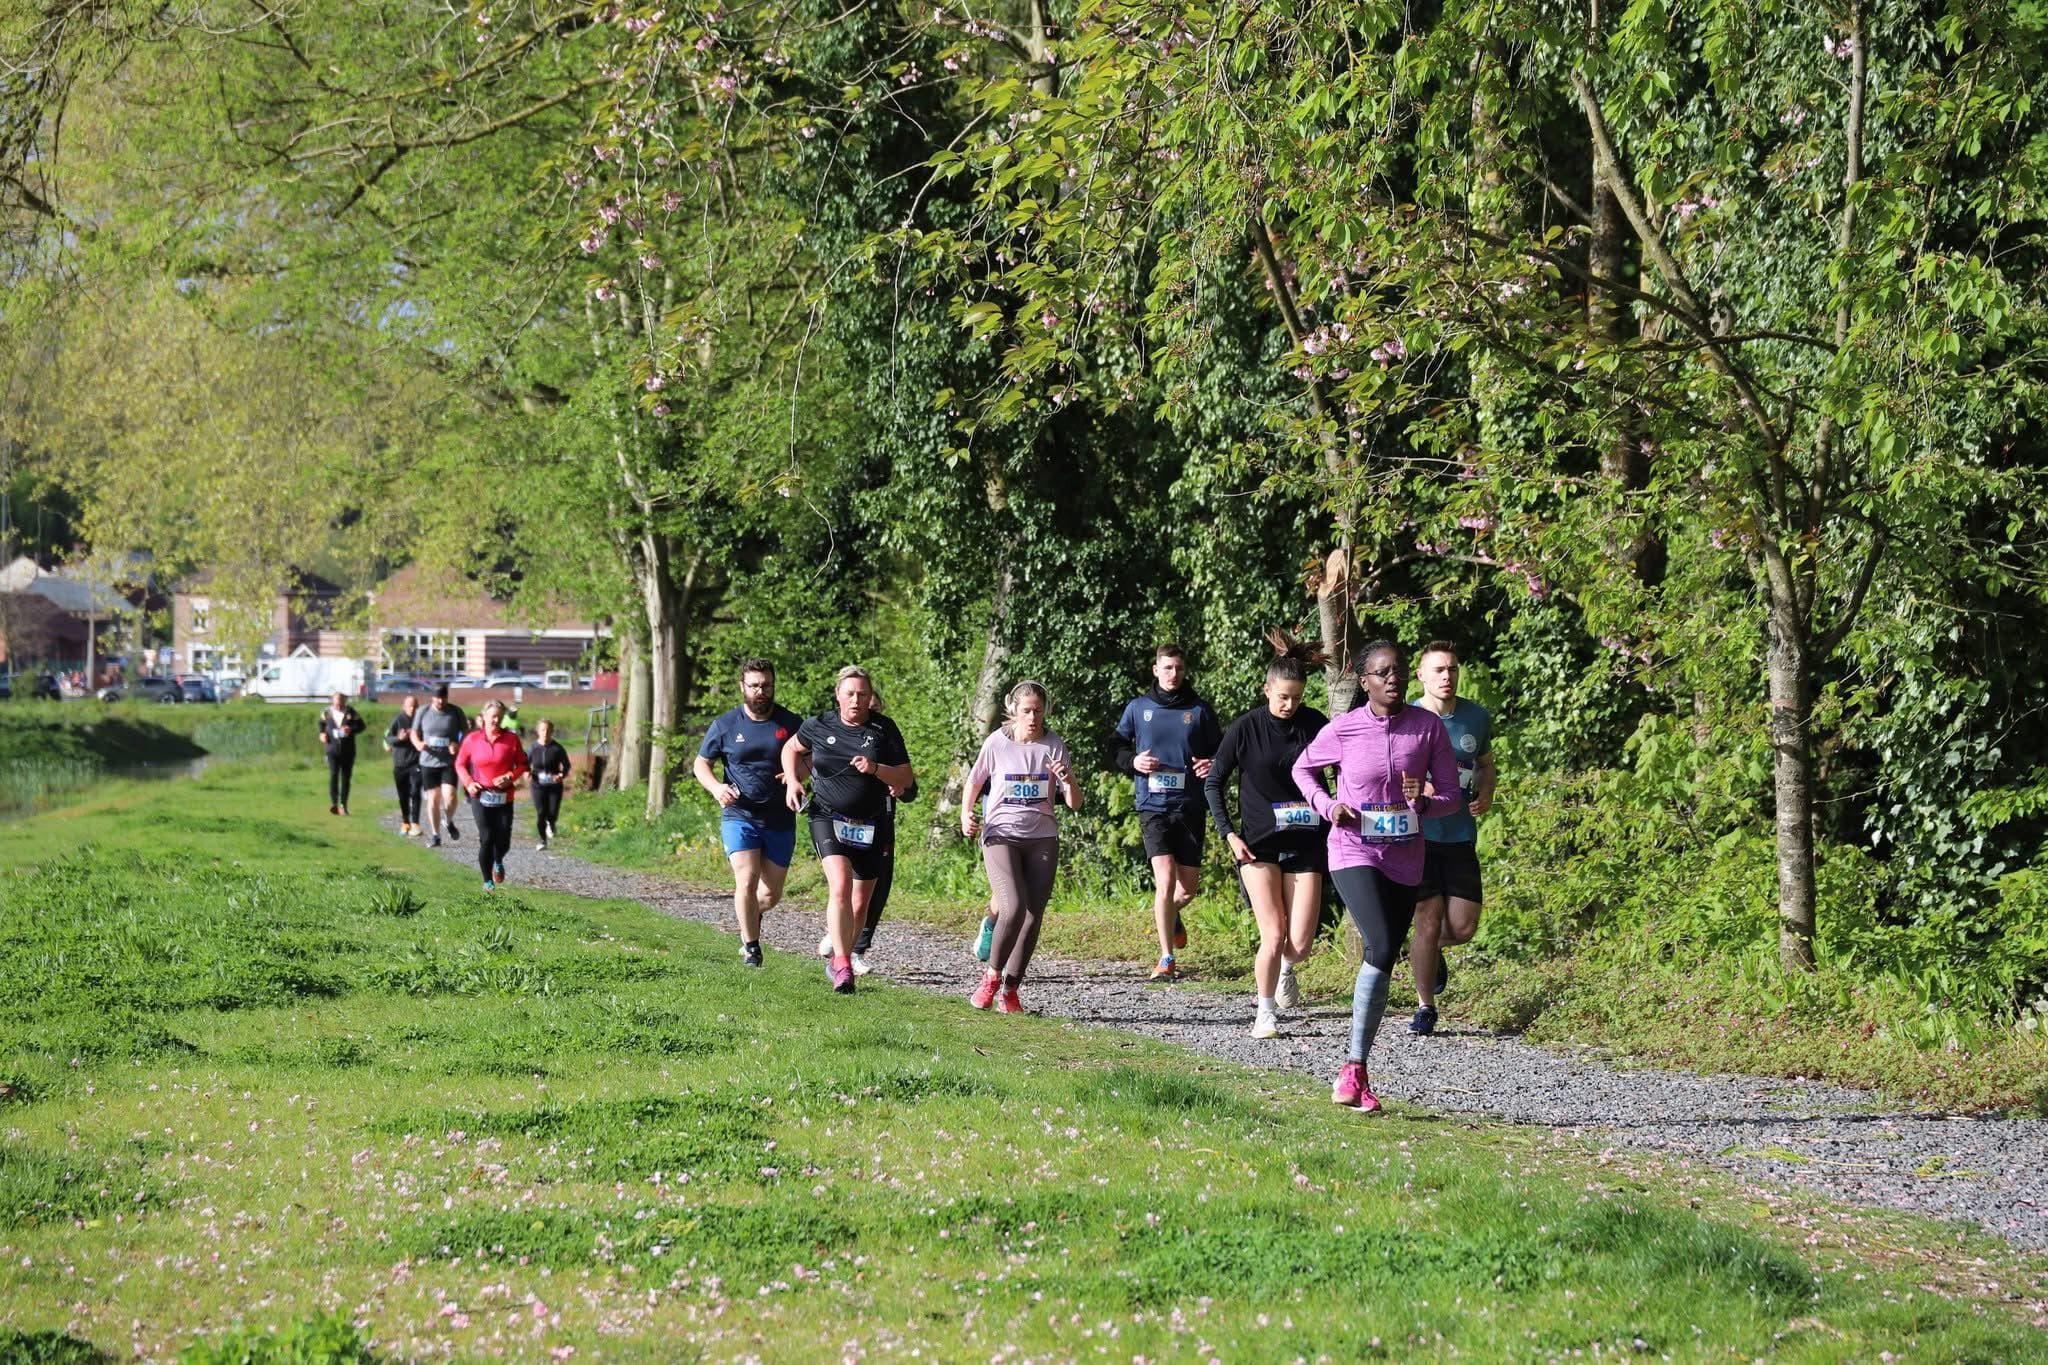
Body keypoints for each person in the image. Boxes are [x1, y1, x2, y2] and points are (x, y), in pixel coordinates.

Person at [1291, 641, 1461, 1113]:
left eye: (1399, 671)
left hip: (1406, 857)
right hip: (1353, 849)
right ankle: (1351, 1066)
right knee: (1382, 944)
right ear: (1364, 681)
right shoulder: (1343, 729)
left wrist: (1424, 802)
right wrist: (1328, 806)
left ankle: (1357, 1069)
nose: (1393, 679)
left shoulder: (1426, 729)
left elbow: (1451, 796)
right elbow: (1302, 769)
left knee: (1384, 957)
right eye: (1382, 673)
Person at [1204, 630, 1330, 1038]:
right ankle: (1264, 1014)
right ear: (1267, 690)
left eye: (1296, 697)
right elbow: (1214, 782)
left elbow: (1345, 769)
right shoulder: (1245, 728)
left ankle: (1287, 971)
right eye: (1282, 697)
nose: (1290, 705)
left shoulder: (1315, 725)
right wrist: (1228, 834)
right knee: (1273, 934)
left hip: (1308, 841)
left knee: (1300, 945)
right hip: (1258, 845)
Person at [781, 665, 914, 994]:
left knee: (859, 904)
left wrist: (875, 768)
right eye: (850, 693)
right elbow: (790, 749)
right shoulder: (818, 724)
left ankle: (838, 958)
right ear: (838, 695)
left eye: (863, 694)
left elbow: (905, 780)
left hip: (871, 823)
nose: (856, 700)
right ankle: (842, 964)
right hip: (827, 815)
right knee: (839, 885)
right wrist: (793, 780)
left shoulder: (884, 730)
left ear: (871, 698)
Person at [960, 681, 1082, 1012]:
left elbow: (1075, 803)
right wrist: (965, 814)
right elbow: (974, 781)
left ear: (1046, 711)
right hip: (1001, 834)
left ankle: (1011, 990)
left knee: (1032, 915)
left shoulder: (1053, 746)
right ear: (1013, 709)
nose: (1033, 717)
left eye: (1038, 711)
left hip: (1041, 836)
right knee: (1012, 906)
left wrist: (1068, 780)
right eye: (1026, 710)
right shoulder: (997, 743)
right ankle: (991, 978)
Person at [1113, 643, 1222, 981]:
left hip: (1189, 807)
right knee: (1165, 882)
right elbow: (1114, 747)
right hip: (1153, 807)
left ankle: (1169, 915)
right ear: (1155, 669)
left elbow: (1221, 753)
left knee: (1186, 889)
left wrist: (1212, 763)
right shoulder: (1138, 708)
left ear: (1183, 670)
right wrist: (1133, 762)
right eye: (1167, 667)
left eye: (1178, 668)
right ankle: (1166, 958)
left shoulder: (1200, 711)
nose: (1173, 674)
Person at [1407, 640, 1497, 1036]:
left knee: (1462, 927)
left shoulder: (1476, 717)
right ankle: (1425, 1007)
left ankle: (1426, 951)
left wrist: (1486, 790)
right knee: (1427, 918)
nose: (1447, 676)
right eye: (1439, 670)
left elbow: (1484, 766)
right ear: (1421, 675)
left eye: (1452, 669)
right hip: (1418, 836)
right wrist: (1413, 790)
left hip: (1459, 834)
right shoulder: (1405, 717)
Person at [694, 659, 803, 968]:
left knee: (770, 894)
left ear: (773, 685)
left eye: (766, 685)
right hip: (739, 814)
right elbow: (701, 764)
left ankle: (749, 920)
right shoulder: (725, 725)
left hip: (780, 817)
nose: (761, 691)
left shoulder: (791, 723)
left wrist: (797, 775)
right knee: (747, 879)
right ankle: (752, 948)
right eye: (754, 685)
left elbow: (811, 759)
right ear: (742, 687)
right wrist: (716, 788)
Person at [454, 699, 529, 891]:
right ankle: (487, 881)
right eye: (492, 716)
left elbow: (522, 764)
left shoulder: (511, 740)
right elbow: (460, 763)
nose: (496, 720)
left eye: (499, 716)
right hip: (480, 795)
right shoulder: (472, 740)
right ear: (484, 717)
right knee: (486, 837)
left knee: (503, 840)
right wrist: (469, 783)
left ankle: (498, 860)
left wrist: (510, 776)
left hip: (504, 796)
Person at [411, 684, 469, 848]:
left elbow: (466, 733)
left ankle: (448, 821)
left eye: (443, 698)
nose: (440, 701)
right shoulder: (423, 711)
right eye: (437, 698)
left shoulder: (456, 712)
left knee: (450, 796)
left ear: (447, 697)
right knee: (433, 799)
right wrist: (418, 743)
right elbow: (414, 732)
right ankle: (436, 835)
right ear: (432, 698)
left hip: (448, 761)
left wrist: (457, 744)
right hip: (428, 761)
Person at [526, 718, 572, 851]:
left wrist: (561, 775)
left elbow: (567, 765)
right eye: (542, 730)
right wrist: (526, 773)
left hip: (554, 786)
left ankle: (551, 823)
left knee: (552, 812)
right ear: (538, 731)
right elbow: (524, 764)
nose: (545, 733)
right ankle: (542, 840)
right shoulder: (533, 748)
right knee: (541, 812)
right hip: (538, 785)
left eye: (548, 730)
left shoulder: (557, 748)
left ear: (552, 731)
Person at [384, 694, 425, 835]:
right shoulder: (398, 719)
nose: (412, 709)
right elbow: (388, 738)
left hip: (416, 762)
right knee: (403, 794)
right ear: (404, 707)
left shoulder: (421, 720)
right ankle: (405, 822)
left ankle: (416, 823)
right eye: (410, 706)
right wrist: (399, 738)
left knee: (415, 791)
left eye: (415, 706)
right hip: (400, 763)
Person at [318, 691, 364, 815]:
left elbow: (361, 726)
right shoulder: (326, 712)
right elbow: (321, 724)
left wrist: (351, 729)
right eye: (336, 703)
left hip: (348, 750)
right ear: (333, 701)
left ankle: (343, 805)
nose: (338, 706)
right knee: (333, 775)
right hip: (332, 749)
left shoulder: (351, 712)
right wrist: (322, 734)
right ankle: (334, 804)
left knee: (345, 778)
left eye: (341, 703)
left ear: (345, 701)